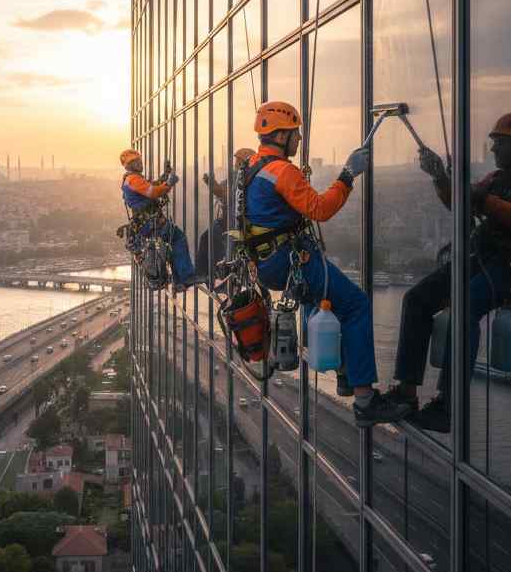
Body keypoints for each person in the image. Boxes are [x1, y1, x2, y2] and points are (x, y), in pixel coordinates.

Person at [386, 112, 511, 433]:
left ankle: (447, 406)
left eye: (500, 142)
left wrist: (479, 196)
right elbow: (461, 204)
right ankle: (406, 392)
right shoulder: (495, 180)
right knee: (417, 298)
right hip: (485, 259)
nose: (493, 148)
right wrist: (440, 178)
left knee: (466, 306)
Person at [242, 101, 412, 427]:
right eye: (295, 134)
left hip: (266, 262)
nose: (299, 139)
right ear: (280, 136)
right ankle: (365, 400)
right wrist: (347, 175)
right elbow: (321, 209)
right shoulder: (281, 171)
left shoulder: (251, 166)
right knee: (356, 304)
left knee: (327, 302)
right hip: (290, 259)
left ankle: (347, 373)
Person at [119, 149, 198, 292]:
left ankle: (179, 281)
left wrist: (165, 176)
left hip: (147, 224)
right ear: (129, 165)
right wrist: (169, 183)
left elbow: (151, 186)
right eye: (136, 161)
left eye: (139, 160)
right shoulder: (134, 179)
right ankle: (185, 277)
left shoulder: (130, 179)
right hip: (152, 223)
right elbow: (153, 192)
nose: (140, 163)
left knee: (172, 243)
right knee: (178, 238)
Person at [196, 147, 255, 282]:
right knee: (207, 239)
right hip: (228, 221)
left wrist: (212, 184)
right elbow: (222, 192)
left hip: (235, 223)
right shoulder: (236, 177)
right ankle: (205, 273)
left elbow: (225, 194)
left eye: (238, 161)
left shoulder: (245, 179)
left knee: (212, 241)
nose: (235, 164)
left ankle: (210, 274)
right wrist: (212, 183)